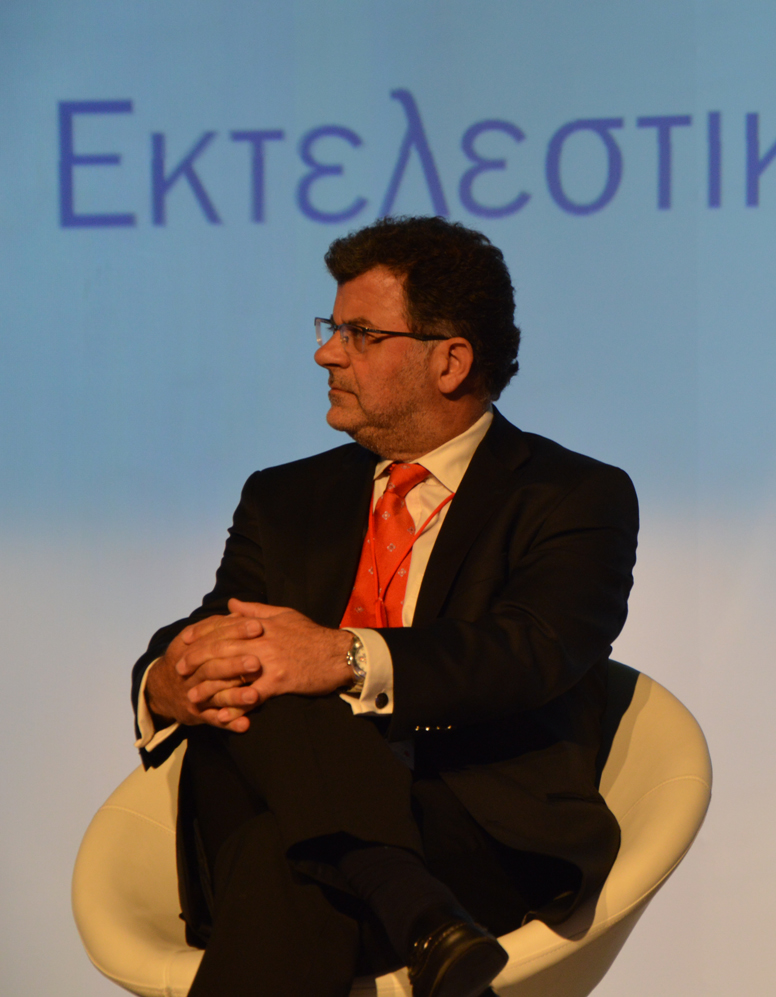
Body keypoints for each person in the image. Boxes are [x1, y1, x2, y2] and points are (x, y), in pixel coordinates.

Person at [130, 216, 638, 997]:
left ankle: (399, 888)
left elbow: (531, 652)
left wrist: (342, 657)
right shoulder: (285, 496)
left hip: (469, 823)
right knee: (264, 671)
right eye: (332, 329)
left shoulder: (572, 495)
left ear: (450, 360)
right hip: (343, 829)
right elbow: (215, 627)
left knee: (281, 853)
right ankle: (416, 909)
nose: (326, 353)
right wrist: (166, 679)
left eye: (360, 334)